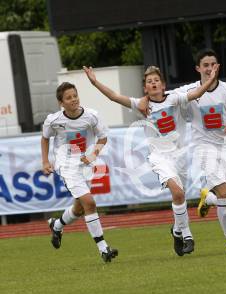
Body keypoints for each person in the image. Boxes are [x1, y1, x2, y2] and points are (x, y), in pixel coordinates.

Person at [83, 63, 218, 256]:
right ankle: (187, 235)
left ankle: (177, 230)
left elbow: (196, 94)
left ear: (163, 85)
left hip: (180, 156)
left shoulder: (174, 98)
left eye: (156, 80)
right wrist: (95, 82)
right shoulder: (142, 105)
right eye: (149, 82)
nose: (153, 83)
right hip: (159, 157)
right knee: (178, 193)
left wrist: (210, 79)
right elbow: (114, 96)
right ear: (145, 88)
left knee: (180, 197)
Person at [178, 49, 226, 254]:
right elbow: (170, 99)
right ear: (198, 68)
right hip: (204, 149)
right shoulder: (191, 91)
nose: (210, 68)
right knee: (225, 194)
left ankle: (206, 197)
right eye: (206, 65)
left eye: (213, 64)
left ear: (218, 66)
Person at [42, 82, 118, 263]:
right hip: (66, 166)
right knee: (89, 203)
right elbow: (45, 138)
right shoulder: (54, 120)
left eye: (75, 95)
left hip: (85, 165)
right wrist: (45, 161)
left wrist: (93, 154)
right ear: (61, 103)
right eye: (68, 98)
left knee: (79, 208)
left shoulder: (92, 116)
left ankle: (57, 225)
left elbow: (103, 137)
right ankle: (103, 249)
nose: (73, 99)